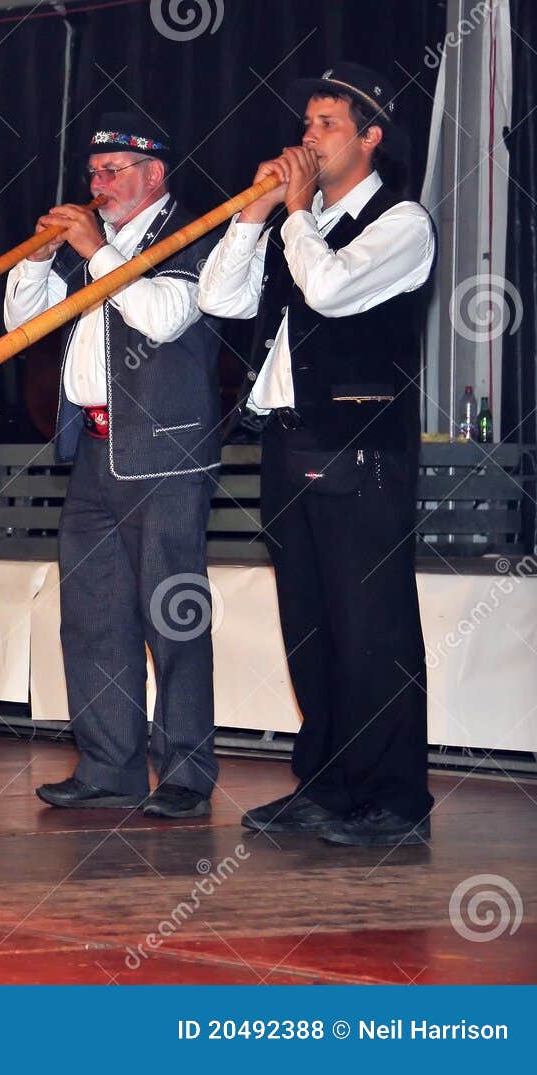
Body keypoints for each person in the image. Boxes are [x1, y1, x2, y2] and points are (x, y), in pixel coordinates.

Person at [197, 63, 436, 847]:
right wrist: (256, 212)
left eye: (327, 124)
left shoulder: (402, 223)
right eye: (306, 123)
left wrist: (295, 211)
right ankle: (327, 784)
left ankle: (394, 801)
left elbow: (330, 291)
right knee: (312, 627)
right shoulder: (294, 223)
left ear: (370, 137)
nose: (309, 137)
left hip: (360, 451)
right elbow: (219, 301)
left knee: (372, 630)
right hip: (288, 440)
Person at [5, 112, 223, 819]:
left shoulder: (196, 231)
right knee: (94, 615)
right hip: (94, 448)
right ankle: (108, 764)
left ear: (154, 174)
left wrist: (97, 250)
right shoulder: (88, 246)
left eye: (113, 171)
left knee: (173, 616)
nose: (97, 184)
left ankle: (188, 771)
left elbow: (161, 316)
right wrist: (37, 258)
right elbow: (21, 323)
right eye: (92, 173)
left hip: (165, 452)